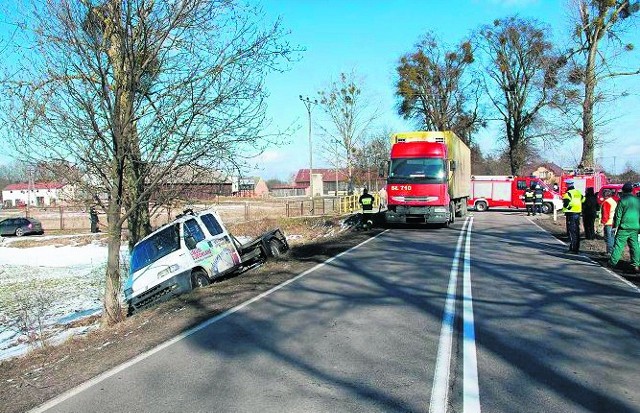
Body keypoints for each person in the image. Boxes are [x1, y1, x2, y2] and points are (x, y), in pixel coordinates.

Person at [608, 182, 640, 273]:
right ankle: (636, 264)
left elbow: (618, 215)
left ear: (624, 191)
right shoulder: (638, 200)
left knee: (618, 245)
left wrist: (615, 227)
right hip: (635, 227)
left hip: (624, 227)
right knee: (635, 246)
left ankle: (612, 263)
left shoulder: (622, 200)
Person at [562, 179, 584, 253]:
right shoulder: (578, 192)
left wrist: (569, 208)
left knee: (572, 232)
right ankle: (576, 248)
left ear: (568, 185)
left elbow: (566, 204)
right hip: (577, 213)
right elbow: (583, 199)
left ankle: (573, 249)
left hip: (571, 214)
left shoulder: (567, 194)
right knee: (576, 231)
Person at [600, 188, 617, 258]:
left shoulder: (606, 202)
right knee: (612, 237)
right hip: (613, 222)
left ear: (605, 195)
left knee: (608, 237)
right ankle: (612, 251)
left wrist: (603, 223)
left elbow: (605, 214)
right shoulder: (613, 201)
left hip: (608, 222)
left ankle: (609, 252)